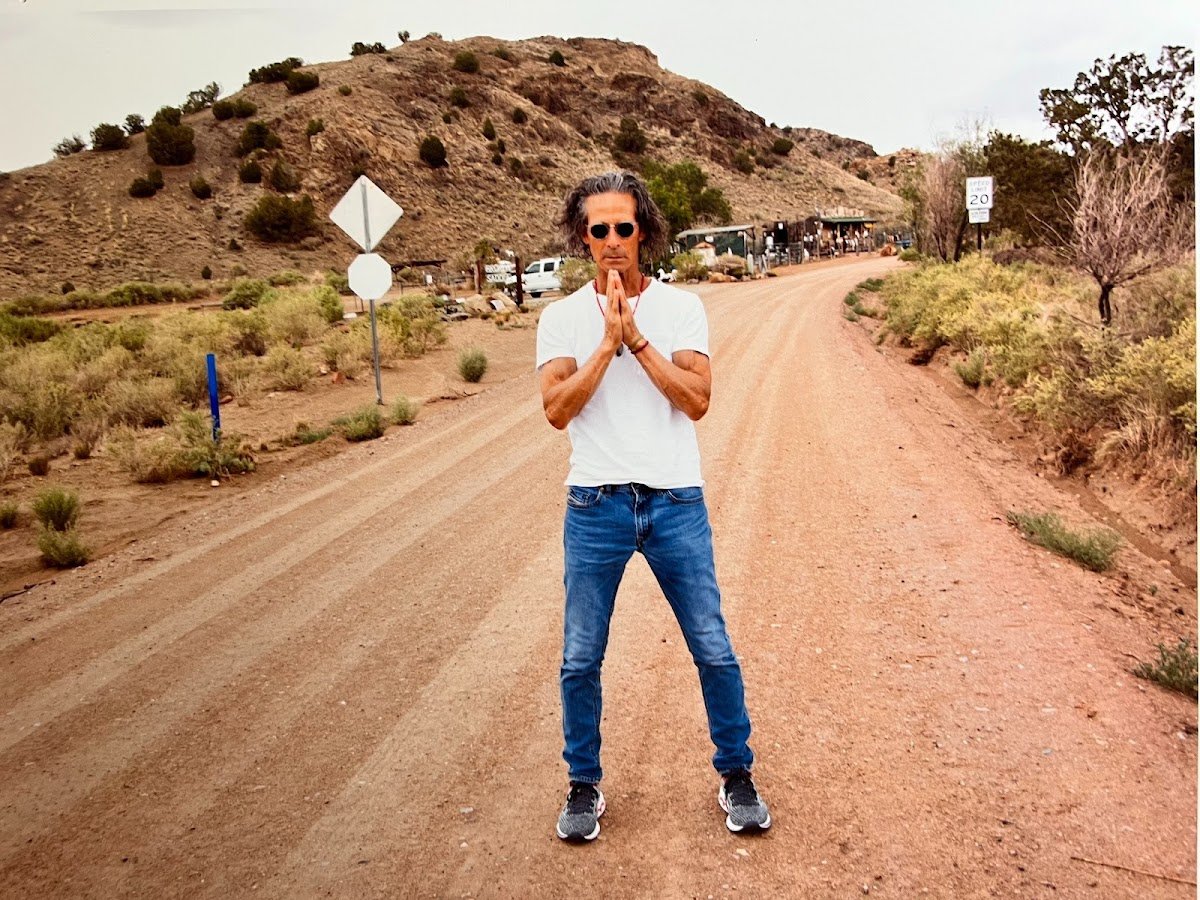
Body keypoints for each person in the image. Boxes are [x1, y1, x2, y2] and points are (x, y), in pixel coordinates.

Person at [536, 171, 770, 843]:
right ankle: (583, 785)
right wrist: (605, 344)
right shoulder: (560, 319)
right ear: (582, 237)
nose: (612, 240)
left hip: (674, 501)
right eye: (598, 229)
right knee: (580, 657)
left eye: (624, 227)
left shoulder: (681, 308)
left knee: (713, 647)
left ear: (644, 232)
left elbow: (697, 400)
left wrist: (636, 340)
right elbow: (556, 410)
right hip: (595, 506)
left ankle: (737, 773)